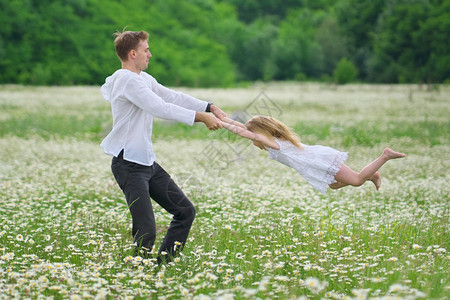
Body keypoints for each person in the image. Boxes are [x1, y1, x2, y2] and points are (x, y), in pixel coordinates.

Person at [100, 30, 226, 264]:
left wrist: (209, 106)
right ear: (133, 53)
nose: (150, 54)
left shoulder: (142, 79)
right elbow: (160, 107)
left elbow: (172, 97)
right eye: (146, 50)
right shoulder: (126, 79)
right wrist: (201, 117)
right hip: (128, 165)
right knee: (146, 230)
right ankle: (137, 277)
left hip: (146, 163)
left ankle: (162, 267)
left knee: (185, 211)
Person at [220, 115, 406, 193]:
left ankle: (385, 156)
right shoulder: (274, 141)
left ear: (261, 134)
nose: (252, 142)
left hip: (320, 161)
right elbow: (242, 127)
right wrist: (218, 115)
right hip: (315, 163)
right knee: (334, 186)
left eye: (254, 137)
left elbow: (244, 132)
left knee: (356, 181)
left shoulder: (273, 143)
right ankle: (371, 175)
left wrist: (220, 123)